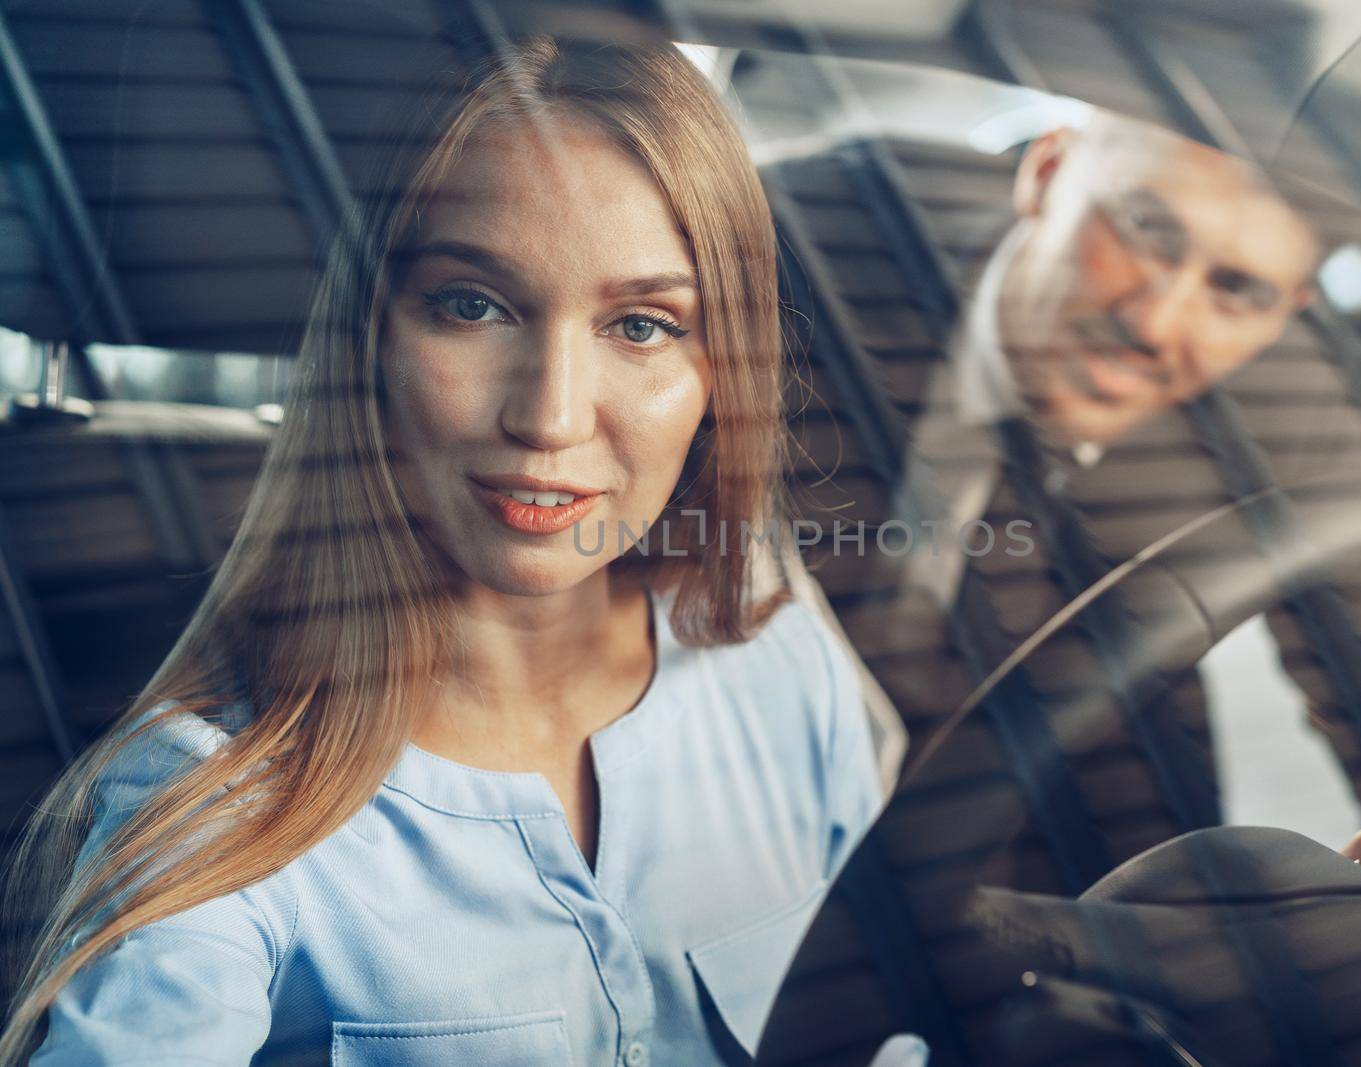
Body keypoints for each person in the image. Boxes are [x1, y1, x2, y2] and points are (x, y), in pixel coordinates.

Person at [0, 37, 881, 1066]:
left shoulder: (769, 637)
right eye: (473, 305)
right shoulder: (215, 805)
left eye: (641, 325)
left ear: (722, 369)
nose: (550, 416)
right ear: (371, 340)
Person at [888, 111, 1361, 960]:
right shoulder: (804, 250)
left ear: (1290, 309)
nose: (1155, 320)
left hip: (1068, 835)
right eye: (1146, 228)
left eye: (1239, 288)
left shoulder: (1288, 395)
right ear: (1046, 172)